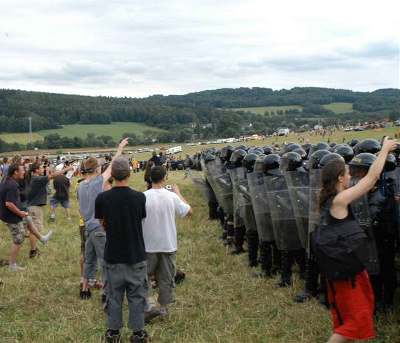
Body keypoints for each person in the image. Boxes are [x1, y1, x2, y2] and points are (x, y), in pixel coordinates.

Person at [318, 137, 397, 343]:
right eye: (347, 172)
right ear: (340, 178)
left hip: (345, 267)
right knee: (355, 321)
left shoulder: (331, 197)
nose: (351, 174)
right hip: (346, 273)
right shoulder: (340, 200)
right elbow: (371, 179)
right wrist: (385, 150)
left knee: (352, 318)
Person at [95, 156, 149, 343]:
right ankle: (138, 333)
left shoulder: (102, 198)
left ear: (113, 176)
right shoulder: (140, 197)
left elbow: (103, 224)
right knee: (137, 295)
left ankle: (113, 333)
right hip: (136, 253)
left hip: (113, 255)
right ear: (130, 172)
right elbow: (139, 221)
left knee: (114, 296)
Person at [78, 138, 129, 301]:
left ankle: (86, 288)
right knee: (105, 260)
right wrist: (119, 149)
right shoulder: (97, 183)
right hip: (98, 228)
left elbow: (80, 208)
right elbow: (113, 166)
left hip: (87, 227)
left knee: (89, 260)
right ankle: (106, 293)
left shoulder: (80, 186)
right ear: (96, 169)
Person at [142, 166, 192, 318]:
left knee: (143, 275)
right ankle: (163, 308)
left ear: (150, 178)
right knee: (166, 277)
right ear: (165, 178)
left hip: (148, 244)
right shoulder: (171, 196)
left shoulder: (142, 196)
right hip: (167, 244)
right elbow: (189, 212)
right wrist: (178, 193)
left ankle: (149, 304)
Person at [0, 164, 52, 271]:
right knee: (19, 239)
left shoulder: (6, 179)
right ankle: (12, 265)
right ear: (15, 172)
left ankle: (42, 239)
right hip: (11, 216)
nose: (24, 172)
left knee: (28, 219)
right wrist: (20, 212)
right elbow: (9, 203)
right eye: (22, 170)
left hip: (10, 213)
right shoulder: (12, 185)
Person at [26, 162, 72, 258]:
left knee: (33, 230)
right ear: (36, 170)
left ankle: (33, 249)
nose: (43, 169)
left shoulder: (32, 178)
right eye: (41, 168)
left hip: (31, 206)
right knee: (35, 230)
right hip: (35, 207)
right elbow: (52, 175)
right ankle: (33, 251)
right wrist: (66, 170)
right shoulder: (38, 179)